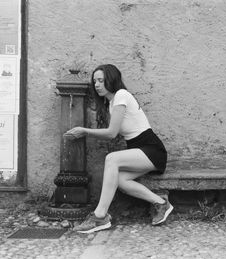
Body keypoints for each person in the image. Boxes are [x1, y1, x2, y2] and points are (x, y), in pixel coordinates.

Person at [64, 64, 173, 233]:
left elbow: (112, 133)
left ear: (111, 79)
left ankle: (100, 216)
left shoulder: (121, 95)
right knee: (120, 181)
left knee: (112, 159)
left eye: (101, 80)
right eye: (95, 81)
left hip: (152, 150)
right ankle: (160, 203)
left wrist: (84, 131)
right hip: (138, 151)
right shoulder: (111, 103)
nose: (97, 85)